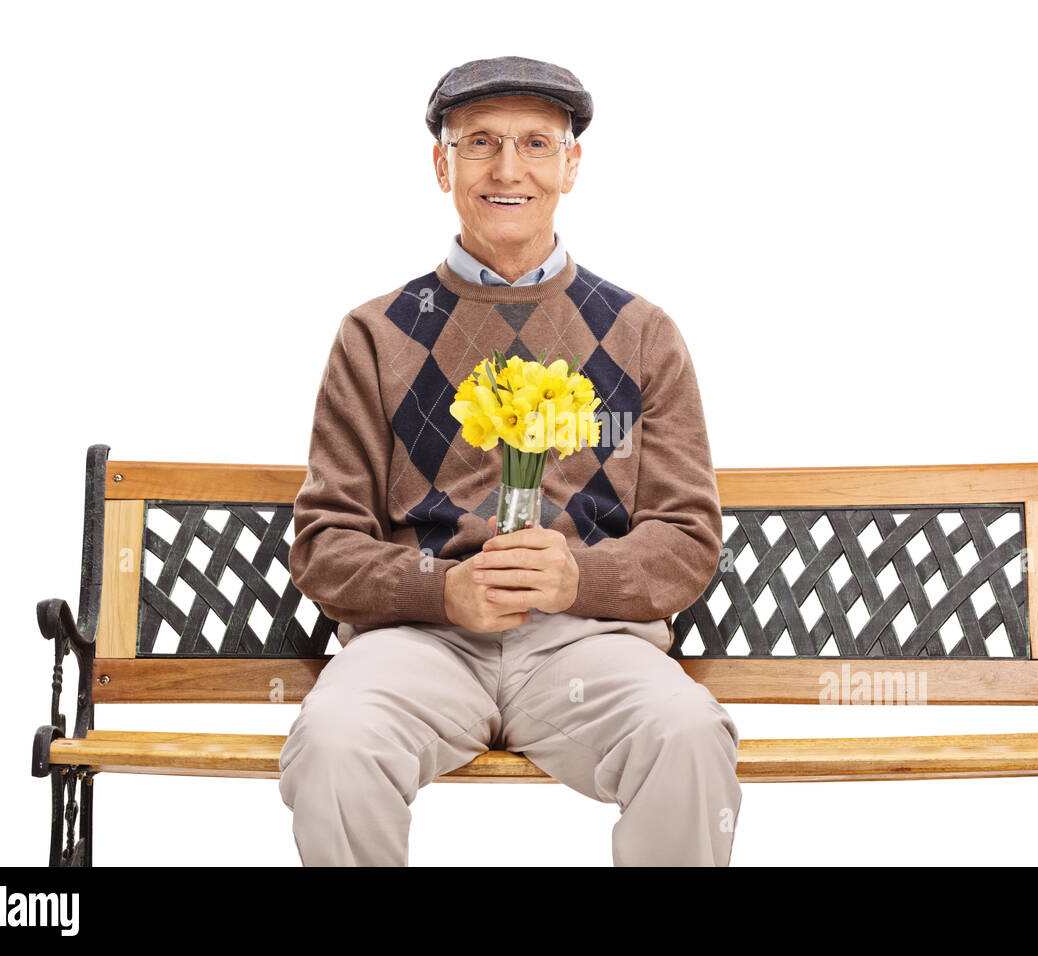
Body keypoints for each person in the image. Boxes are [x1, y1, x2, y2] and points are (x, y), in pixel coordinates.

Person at [277, 55, 741, 866]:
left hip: (585, 645)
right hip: (420, 644)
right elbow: (323, 544)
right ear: (441, 164)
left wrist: (580, 580)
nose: (508, 169)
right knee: (336, 737)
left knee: (688, 733)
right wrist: (442, 590)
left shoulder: (639, 333)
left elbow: (687, 537)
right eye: (481, 142)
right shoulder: (376, 335)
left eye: (535, 143)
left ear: (571, 165)